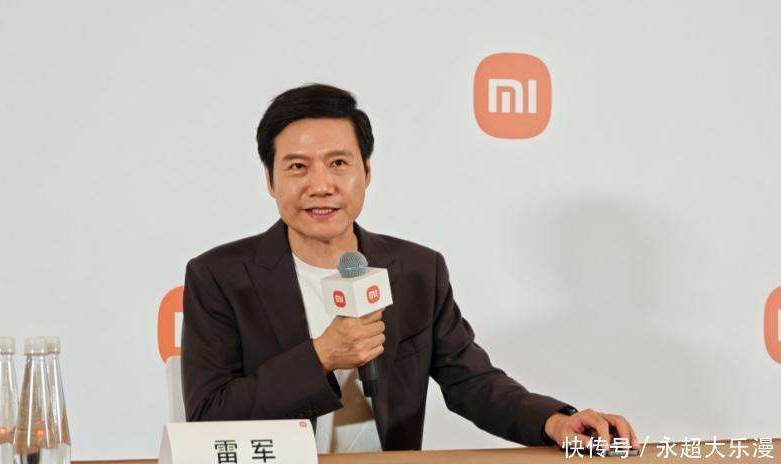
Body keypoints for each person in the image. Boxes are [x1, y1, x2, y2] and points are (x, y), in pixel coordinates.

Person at [181, 83, 639, 453]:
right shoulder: (220, 276)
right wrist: (321, 356)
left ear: (366, 172)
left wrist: (554, 421)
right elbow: (208, 416)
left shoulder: (416, 270)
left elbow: (472, 382)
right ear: (269, 179)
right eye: (298, 167)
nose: (321, 185)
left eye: (338, 163)